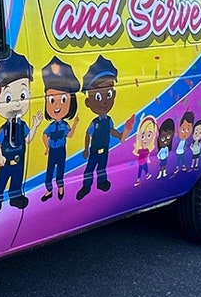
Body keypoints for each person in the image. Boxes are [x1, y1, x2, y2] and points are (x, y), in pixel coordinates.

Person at [0, 52, 42, 220]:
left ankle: (16, 197)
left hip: (19, 158)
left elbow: (27, 139)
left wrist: (36, 126)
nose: (17, 102)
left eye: (23, 95)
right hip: (6, 159)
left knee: (17, 179)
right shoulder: (5, 128)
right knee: (0, 181)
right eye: (8, 98)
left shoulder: (22, 125)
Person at [77, 54, 132, 198]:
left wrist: (120, 134)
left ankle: (101, 182)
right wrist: (86, 150)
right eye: (98, 96)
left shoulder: (108, 120)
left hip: (105, 149)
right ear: (88, 102)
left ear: (113, 94)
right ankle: (86, 186)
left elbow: (112, 131)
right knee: (89, 169)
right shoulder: (94, 123)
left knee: (102, 168)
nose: (104, 102)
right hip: (94, 150)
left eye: (108, 94)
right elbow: (88, 134)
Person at [40, 57, 80, 202]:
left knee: (60, 170)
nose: (56, 105)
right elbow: (44, 135)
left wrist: (75, 124)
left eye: (63, 99)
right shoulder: (51, 126)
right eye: (51, 100)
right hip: (53, 150)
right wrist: (46, 147)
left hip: (61, 150)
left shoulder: (64, 125)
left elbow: (69, 135)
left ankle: (61, 187)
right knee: (49, 171)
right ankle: (49, 190)